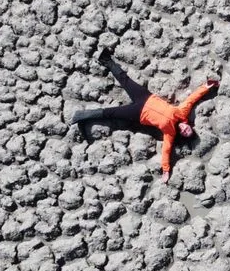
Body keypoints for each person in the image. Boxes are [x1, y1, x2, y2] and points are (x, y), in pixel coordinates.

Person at [71, 48, 218, 182]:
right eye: (189, 129)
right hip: (145, 97)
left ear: (182, 134)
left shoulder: (170, 133)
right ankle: (106, 59)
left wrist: (166, 171)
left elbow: (166, 151)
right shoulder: (182, 113)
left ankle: (81, 115)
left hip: (138, 114)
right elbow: (192, 99)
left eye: (186, 133)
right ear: (188, 125)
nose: (186, 130)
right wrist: (207, 86)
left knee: (110, 113)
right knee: (125, 80)